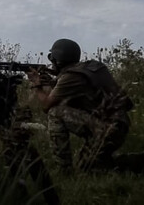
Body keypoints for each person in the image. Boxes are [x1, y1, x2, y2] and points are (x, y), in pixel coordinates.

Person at [30, 38, 133, 173]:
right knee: (86, 168)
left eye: (52, 58)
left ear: (58, 59)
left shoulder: (70, 77)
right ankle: (129, 164)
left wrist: (37, 85)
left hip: (105, 130)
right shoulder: (91, 68)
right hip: (116, 128)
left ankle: (64, 169)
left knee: (55, 112)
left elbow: (46, 106)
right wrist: (51, 81)